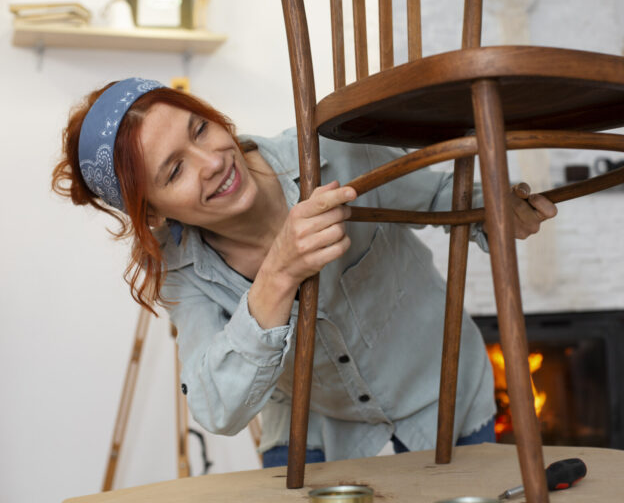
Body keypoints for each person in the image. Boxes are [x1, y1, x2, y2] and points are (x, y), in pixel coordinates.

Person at [52, 78, 557, 467]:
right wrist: (278, 273)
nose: (211, 162)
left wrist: (499, 209)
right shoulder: (181, 267)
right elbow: (216, 408)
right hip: (315, 430)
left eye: (201, 129)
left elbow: (439, 196)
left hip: (439, 391)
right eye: (174, 171)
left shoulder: (333, 150)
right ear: (155, 213)